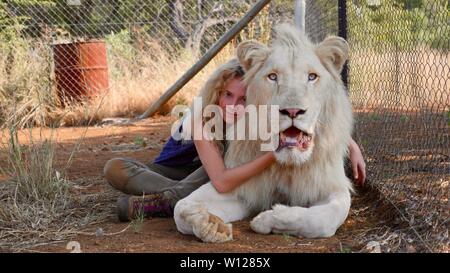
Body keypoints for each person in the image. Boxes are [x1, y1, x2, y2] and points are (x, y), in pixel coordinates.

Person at [103, 59, 366, 221]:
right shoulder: (201, 118)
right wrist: (272, 154)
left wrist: (350, 145)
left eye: (243, 100)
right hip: (181, 168)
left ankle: (167, 198)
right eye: (227, 95)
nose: (233, 106)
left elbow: (309, 124)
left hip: (211, 169)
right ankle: (171, 197)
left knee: (222, 166)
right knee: (114, 167)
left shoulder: (259, 116)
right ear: (217, 92)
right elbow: (221, 180)